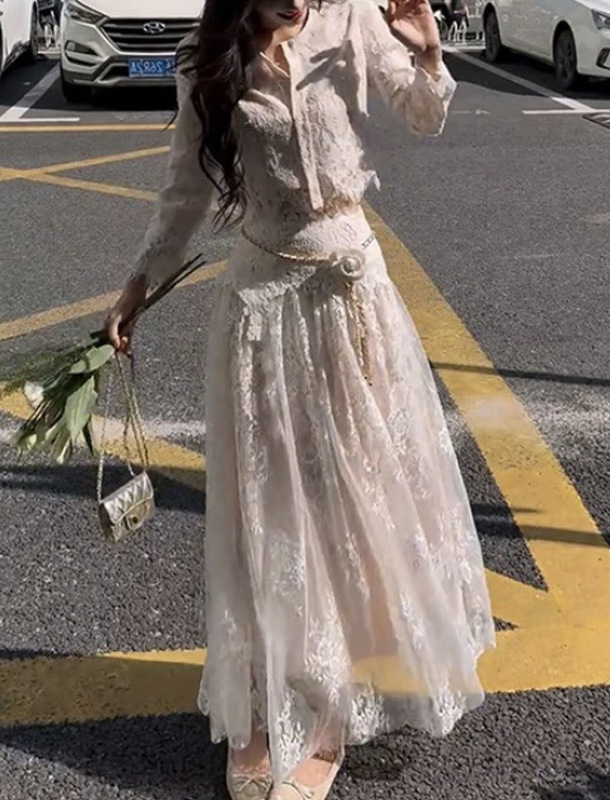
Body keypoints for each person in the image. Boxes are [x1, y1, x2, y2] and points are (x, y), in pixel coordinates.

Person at [106, 1, 495, 798]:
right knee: (271, 512)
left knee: (347, 503)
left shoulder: (350, 21)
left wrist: (427, 53)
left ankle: (326, 706)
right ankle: (272, 702)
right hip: (263, 312)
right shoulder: (209, 57)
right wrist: (138, 285)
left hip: (354, 306)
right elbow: (184, 190)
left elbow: (422, 115)